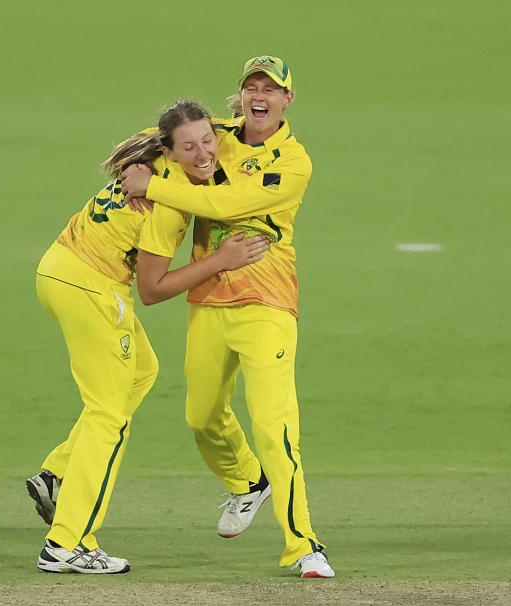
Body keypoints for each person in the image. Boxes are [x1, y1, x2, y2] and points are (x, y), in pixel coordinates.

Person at [27, 100, 269, 574]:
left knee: (142, 370)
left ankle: (59, 474)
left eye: (208, 141)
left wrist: (241, 109)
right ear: (170, 152)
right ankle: (67, 543)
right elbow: (153, 290)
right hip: (91, 288)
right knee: (109, 416)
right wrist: (222, 260)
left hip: (58, 268)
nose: (203, 153)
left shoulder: (160, 155)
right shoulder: (167, 203)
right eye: (189, 147)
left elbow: (195, 130)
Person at [121, 56, 335, 578]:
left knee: (274, 425)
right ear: (240, 97)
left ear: (288, 100)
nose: (259, 95)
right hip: (209, 300)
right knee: (201, 416)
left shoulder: (295, 161)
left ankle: (304, 547)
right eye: (251, 87)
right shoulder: (216, 134)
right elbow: (168, 134)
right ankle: (246, 482)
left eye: (271, 88)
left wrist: (152, 187)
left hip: (267, 304)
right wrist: (138, 164)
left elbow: (229, 202)